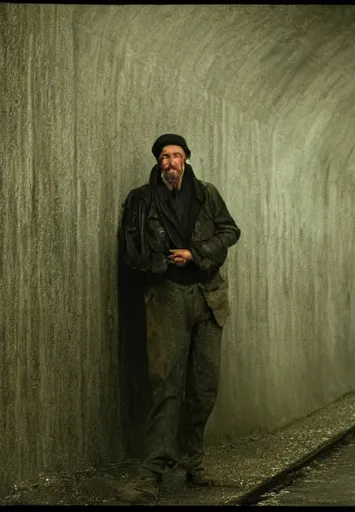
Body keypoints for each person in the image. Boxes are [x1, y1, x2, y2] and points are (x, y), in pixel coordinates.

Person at [117, 134, 241, 503]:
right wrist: (162, 264)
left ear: (186, 158)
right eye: (164, 157)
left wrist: (197, 254)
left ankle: (193, 463)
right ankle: (152, 471)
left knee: (205, 386)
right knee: (166, 384)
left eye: (176, 155)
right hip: (167, 297)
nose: (170, 162)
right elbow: (130, 251)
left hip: (208, 296)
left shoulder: (207, 194)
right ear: (158, 163)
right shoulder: (141, 200)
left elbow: (230, 231)